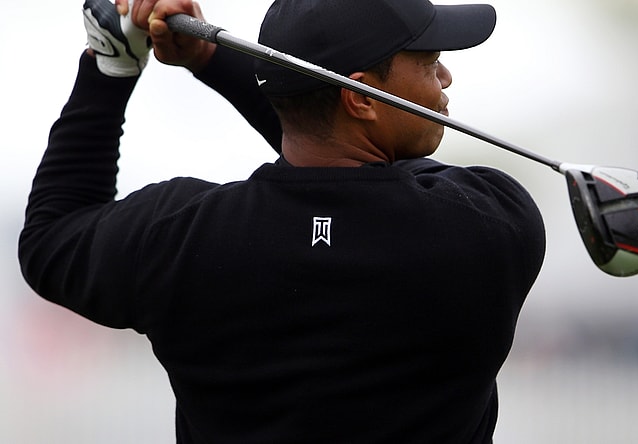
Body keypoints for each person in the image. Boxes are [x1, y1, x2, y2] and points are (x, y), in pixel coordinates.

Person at [19, 0, 546, 442]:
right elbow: (377, 175)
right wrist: (214, 62)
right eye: (429, 62)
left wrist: (110, 67)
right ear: (362, 97)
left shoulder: (182, 235)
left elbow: (50, 236)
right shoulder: (489, 224)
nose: (446, 75)